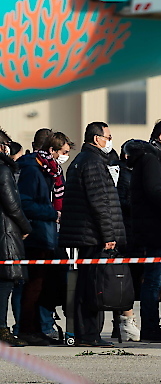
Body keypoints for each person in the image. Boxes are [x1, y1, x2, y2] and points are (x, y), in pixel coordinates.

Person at [59, 122, 126, 347]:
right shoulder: (94, 163)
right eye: (108, 136)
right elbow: (100, 203)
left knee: (85, 285)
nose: (110, 140)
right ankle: (89, 334)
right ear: (97, 138)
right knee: (93, 288)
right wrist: (108, 235)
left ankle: (85, 333)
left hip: (84, 233)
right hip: (93, 235)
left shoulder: (81, 161)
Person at [16, 132, 73, 346]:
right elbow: (26, 203)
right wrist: (51, 213)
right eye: (64, 152)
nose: (65, 157)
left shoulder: (51, 170)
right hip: (36, 234)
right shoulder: (32, 169)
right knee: (33, 285)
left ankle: (39, 328)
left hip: (48, 234)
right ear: (52, 150)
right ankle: (26, 329)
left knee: (45, 285)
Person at [128, 119, 161, 342]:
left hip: (151, 226)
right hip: (152, 227)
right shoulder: (151, 159)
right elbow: (154, 193)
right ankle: (150, 326)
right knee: (153, 281)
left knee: (154, 280)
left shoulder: (153, 158)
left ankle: (150, 324)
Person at [0, 129, 32, 347]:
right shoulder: (3, 170)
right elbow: (12, 204)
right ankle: (2, 329)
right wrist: (25, 225)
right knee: (5, 282)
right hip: (5, 232)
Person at [108, 141, 141, 343]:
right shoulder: (122, 173)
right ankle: (123, 322)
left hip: (128, 231)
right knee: (120, 280)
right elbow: (120, 201)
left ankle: (119, 324)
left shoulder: (128, 172)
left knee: (122, 280)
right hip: (124, 232)